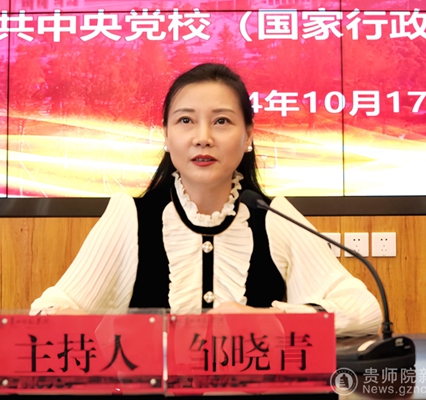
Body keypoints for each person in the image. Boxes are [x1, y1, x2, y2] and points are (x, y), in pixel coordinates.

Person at [31, 63, 382, 337]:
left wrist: (269, 320)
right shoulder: (130, 216)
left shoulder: (274, 215)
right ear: (167, 136)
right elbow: (46, 312)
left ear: (248, 136)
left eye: (222, 121)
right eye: (186, 120)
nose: (203, 137)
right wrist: (107, 329)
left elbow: (365, 311)